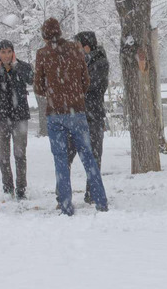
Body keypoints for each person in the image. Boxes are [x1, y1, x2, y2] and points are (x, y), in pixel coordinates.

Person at [33, 17, 108, 215]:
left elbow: (38, 87)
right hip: (77, 112)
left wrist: (54, 92)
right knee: (88, 156)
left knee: (60, 159)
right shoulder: (76, 49)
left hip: (55, 114)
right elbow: (86, 81)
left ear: (44, 35)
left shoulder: (42, 54)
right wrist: (74, 94)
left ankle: (66, 205)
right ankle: (101, 201)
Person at [64, 31, 109, 204]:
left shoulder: (100, 63)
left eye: (77, 46)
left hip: (92, 116)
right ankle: (63, 194)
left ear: (86, 47)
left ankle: (93, 193)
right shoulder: (76, 62)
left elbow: (92, 86)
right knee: (66, 155)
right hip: (74, 116)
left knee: (94, 156)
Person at [0, 40, 34, 200]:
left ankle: (21, 187)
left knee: (20, 153)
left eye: (9, 52)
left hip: (20, 116)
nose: (7, 55)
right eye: (3, 52)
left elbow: (31, 79)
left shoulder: (23, 66)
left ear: (13, 52)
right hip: (0, 118)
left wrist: (16, 65)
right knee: (3, 154)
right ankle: (7, 186)